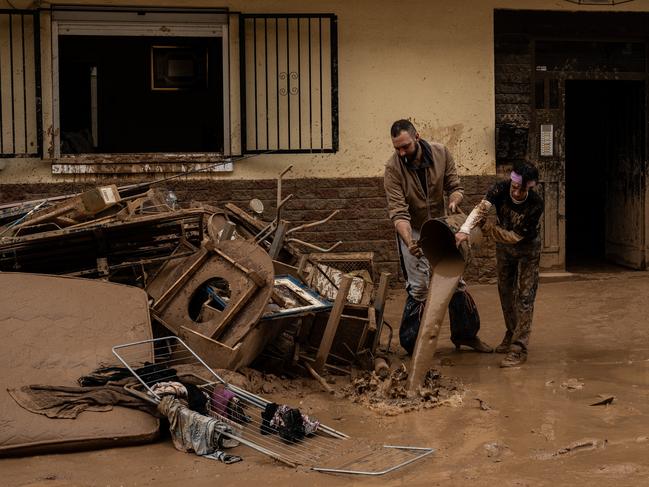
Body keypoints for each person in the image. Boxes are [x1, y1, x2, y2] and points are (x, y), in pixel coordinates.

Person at [384, 119, 493, 354]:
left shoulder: (441, 153)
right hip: (412, 229)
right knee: (419, 287)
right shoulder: (393, 168)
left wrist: (454, 199)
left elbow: (455, 186)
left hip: (440, 225)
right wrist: (409, 242)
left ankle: (465, 336)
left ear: (417, 137)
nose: (402, 153)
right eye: (397, 148)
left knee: (455, 280)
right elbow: (398, 212)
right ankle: (413, 345)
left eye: (405, 146)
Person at [455, 161, 544, 367]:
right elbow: (482, 208)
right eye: (513, 187)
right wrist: (465, 229)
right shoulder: (500, 188)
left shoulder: (535, 205)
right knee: (505, 290)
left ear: (530, 187)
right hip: (504, 250)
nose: (516, 192)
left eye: (521, 189)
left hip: (527, 249)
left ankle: (519, 348)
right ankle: (512, 332)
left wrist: (487, 229)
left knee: (525, 297)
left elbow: (514, 237)